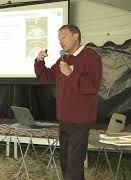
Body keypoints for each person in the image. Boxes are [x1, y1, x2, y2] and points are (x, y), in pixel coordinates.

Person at [34, 25, 102, 180]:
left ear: (76, 36)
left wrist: (71, 74)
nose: (60, 42)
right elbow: (47, 76)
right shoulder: (65, 58)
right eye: (59, 39)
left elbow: (92, 86)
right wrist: (39, 61)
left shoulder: (91, 56)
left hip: (79, 121)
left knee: (74, 164)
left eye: (63, 37)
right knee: (65, 162)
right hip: (64, 119)